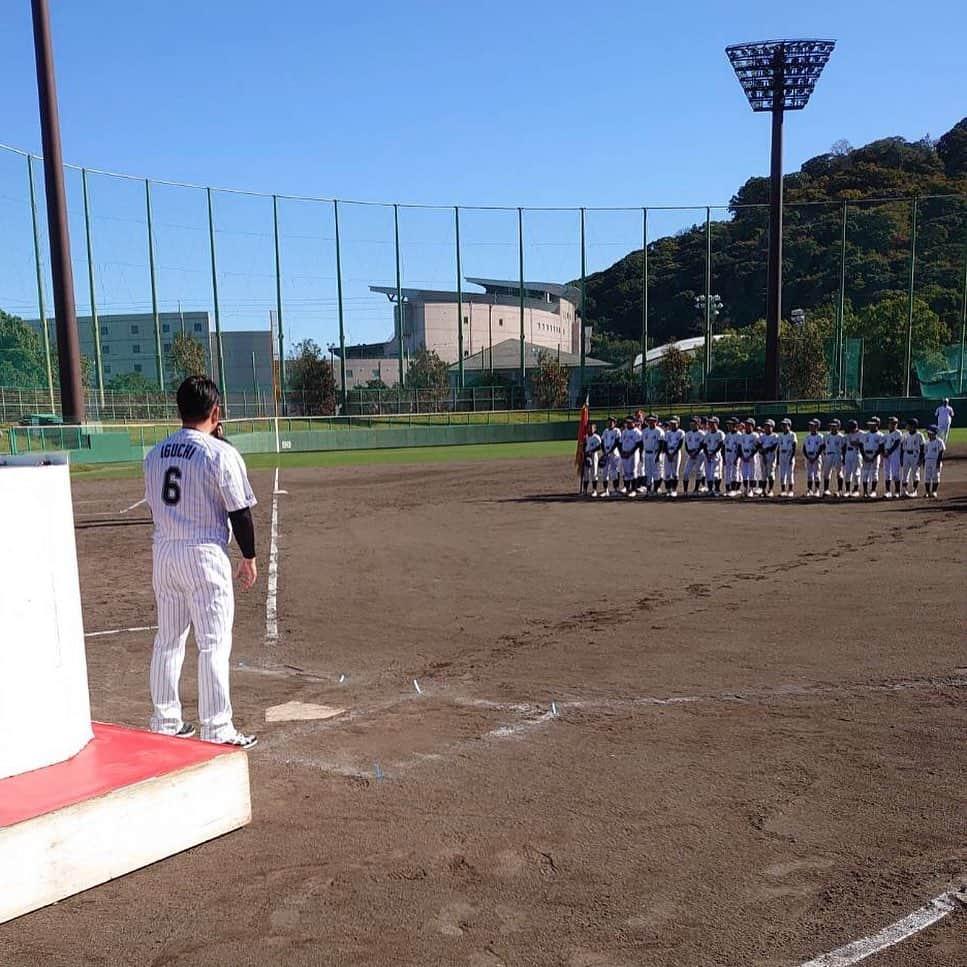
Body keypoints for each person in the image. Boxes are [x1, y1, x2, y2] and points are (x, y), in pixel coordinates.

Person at [143, 376, 258, 749]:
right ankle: (217, 726)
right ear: (215, 411)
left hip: (165, 551)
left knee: (169, 640)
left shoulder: (154, 453)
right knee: (212, 642)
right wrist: (249, 557)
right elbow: (240, 513)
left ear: (179, 410)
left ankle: (165, 720)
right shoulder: (221, 454)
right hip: (204, 553)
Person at [900, 418, 926, 497]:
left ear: (913, 426)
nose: (906, 426)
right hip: (906, 454)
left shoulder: (919, 435)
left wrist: (921, 459)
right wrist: (901, 457)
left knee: (915, 473)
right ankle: (904, 490)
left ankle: (914, 490)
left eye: (908, 425)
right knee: (905, 473)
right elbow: (901, 446)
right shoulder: (905, 435)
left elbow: (922, 448)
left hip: (915, 454)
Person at [860, 416, 884, 499]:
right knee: (865, 473)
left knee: (874, 473)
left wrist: (874, 456)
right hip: (866, 455)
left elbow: (880, 447)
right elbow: (861, 446)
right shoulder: (865, 435)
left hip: (875, 455)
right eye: (870, 424)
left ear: (877, 425)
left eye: (873, 424)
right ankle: (865, 491)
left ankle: (873, 491)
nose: (870, 426)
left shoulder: (880, 435)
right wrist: (864, 456)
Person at [641, 414, 664, 496]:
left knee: (656, 472)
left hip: (655, 453)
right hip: (647, 453)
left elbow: (661, 444)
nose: (651, 422)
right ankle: (648, 490)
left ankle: (655, 490)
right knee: (647, 473)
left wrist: (658, 456)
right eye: (649, 421)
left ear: (656, 422)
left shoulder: (659, 431)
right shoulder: (644, 431)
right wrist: (641, 453)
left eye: (653, 421)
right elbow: (642, 443)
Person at [880, 416, 903, 499]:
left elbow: (896, 443)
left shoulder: (898, 433)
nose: (893, 425)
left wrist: (888, 452)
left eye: (895, 423)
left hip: (894, 454)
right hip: (886, 454)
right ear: (888, 424)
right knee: (887, 473)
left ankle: (897, 491)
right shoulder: (885, 434)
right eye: (891, 423)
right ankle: (888, 491)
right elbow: (881, 444)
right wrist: (883, 453)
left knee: (895, 472)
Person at [661, 416, 684, 497]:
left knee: (675, 472)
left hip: (676, 453)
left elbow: (680, 444)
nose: (672, 425)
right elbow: (665, 444)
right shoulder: (667, 433)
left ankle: (674, 490)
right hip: (668, 453)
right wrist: (668, 454)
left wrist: (673, 454)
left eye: (674, 423)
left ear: (678, 424)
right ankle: (668, 490)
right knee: (667, 472)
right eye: (671, 424)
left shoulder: (681, 432)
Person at [619, 416, 641, 497]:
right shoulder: (624, 432)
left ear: (634, 423)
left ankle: (634, 490)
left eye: (630, 422)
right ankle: (627, 489)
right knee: (626, 472)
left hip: (633, 454)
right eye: (627, 422)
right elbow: (621, 443)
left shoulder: (637, 432)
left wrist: (631, 452)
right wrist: (622, 452)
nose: (628, 424)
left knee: (633, 471)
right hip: (625, 453)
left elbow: (639, 444)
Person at [823, 419, 846, 497]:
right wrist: (824, 454)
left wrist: (844, 458)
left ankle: (839, 490)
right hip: (828, 455)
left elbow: (844, 448)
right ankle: (826, 490)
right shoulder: (826, 436)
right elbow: (823, 446)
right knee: (826, 473)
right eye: (831, 426)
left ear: (838, 426)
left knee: (839, 473)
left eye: (834, 426)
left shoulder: (841, 437)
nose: (832, 427)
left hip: (837, 455)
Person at [682, 417, 705, 496]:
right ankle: (685, 491)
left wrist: (695, 453)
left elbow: (702, 445)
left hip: (699, 454)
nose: (692, 424)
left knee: (698, 472)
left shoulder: (701, 433)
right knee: (686, 473)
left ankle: (696, 490)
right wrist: (690, 453)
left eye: (694, 423)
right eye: (691, 423)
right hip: (690, 454)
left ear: (698, 424)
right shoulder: (687, 434)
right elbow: (686, 445)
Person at [802, 419, 825, 497]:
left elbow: (821, 448)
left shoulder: (820, 437)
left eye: (812, 426)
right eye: (810, 426)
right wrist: (808, 457)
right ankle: (809, 490)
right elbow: (804, 448)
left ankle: (817, 490)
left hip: (817, 457)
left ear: (817, 426)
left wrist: (815, 457)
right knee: (809, 474)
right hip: (808, 457)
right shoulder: (807, 437)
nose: (810, 427)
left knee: (816, 474)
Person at [703, 416, 725, 496]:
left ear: (717, 424)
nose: (711, 425)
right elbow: (704, 445)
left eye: (713, 423)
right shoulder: (707, 434)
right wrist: (707, 454)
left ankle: (717, 489)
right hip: (708, 454)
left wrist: (713, 453)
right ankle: (710, 489)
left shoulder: (720, 433)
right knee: (708, 473)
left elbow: (721, 444)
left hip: (716, 454)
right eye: (710, 423)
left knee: (716, 473)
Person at [600, 417, 622, 497]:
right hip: (606, 453)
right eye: (609, 422)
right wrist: (604, 452)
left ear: (615, 423)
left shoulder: (617, 431)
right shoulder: (605, 431)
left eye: (612, 422)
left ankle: (616, 489)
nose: (610, 423)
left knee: (614, 472)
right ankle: (606, 490)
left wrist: (609, 451)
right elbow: (602, 442)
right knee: (604, 472)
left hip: (614, 454)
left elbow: (617, 443)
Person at [738, 418, 760, 497]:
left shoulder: (755, 435)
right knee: (744, 473)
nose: (747, 426)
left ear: (753, 426)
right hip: (744, 456)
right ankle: (745, 489)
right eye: (746, 424)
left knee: (752, 473)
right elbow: (740, 446)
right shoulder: (742, 435)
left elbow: (757, 446)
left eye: (749, 425)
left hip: (752, 457)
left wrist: (751, 455)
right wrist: (742, 456)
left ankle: (751, 489)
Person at [757, 419, 779, 496]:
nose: (767, 428)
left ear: (772, 427)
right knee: (763, 474)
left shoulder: (775, 436)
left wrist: (765, 449)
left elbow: (774, 447)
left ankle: (770, 490)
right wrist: (762, 452)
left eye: (769, 426)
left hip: (771, 457)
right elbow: (758, 445)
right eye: (766, 426)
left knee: (770, 473)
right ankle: (763, 490)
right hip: (763, 456)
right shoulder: (762, 436)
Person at [581, 422, 603, 497]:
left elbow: (600, 447)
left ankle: (594, 490)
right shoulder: (586, 437)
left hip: (594, 455)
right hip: (587, 456)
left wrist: (592, 451)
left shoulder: (596, 437)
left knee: (594, 473)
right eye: (589, 428)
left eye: (592, 428)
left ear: (595, 429)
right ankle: (585, 490)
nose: (590, 429)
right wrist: (584, 453)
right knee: (586, 474)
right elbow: (584, 446)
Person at [777, 418, 797, 497]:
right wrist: (778, 458)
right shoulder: (780, 436)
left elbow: (794, 446)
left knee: (789, 474)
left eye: (785, 425)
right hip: (782, 455)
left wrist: (792, 457)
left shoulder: (792, 434)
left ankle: (790, 490)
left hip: (789, 454)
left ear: (789, 425)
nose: (784, 426)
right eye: (783, 425)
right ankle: (783, 490)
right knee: (782, 474)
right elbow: (779, 448)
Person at [923, 425, 945, 497]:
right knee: (927, 477)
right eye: (928, 433)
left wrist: (938, 462)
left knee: (935, 476)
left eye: (930, 433)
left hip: (935, 461)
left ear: (934, 433)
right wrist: (924, 462)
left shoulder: (939, 442)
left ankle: (934, 491)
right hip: (928, 460)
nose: (928, 435)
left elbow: (941, 452)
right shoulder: (926, 442)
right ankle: (927, 492)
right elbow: (924, 453)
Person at [844, 419, 863, 497]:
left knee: (856, 473)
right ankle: (847, 490)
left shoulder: (861, 433)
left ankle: (856, 490)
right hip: (848, 454)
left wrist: (857, 443)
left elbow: (862, 443)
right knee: (848, 472)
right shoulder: (848, 433)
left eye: (851, 428)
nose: (850, 430)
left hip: (856, 453)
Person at [723, 417, 742, 496]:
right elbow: (724, 446)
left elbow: (740, 448)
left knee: (735, 471)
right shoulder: (727, 435)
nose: (729, 426)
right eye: (728, 425)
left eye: (731, 424)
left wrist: (737, 458)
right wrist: (723, 457)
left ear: (735, 425)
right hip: (727, 453)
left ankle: (735, 489)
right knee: (727, 472)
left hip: (735, 454)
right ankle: (728, 489)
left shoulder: (739, 435)